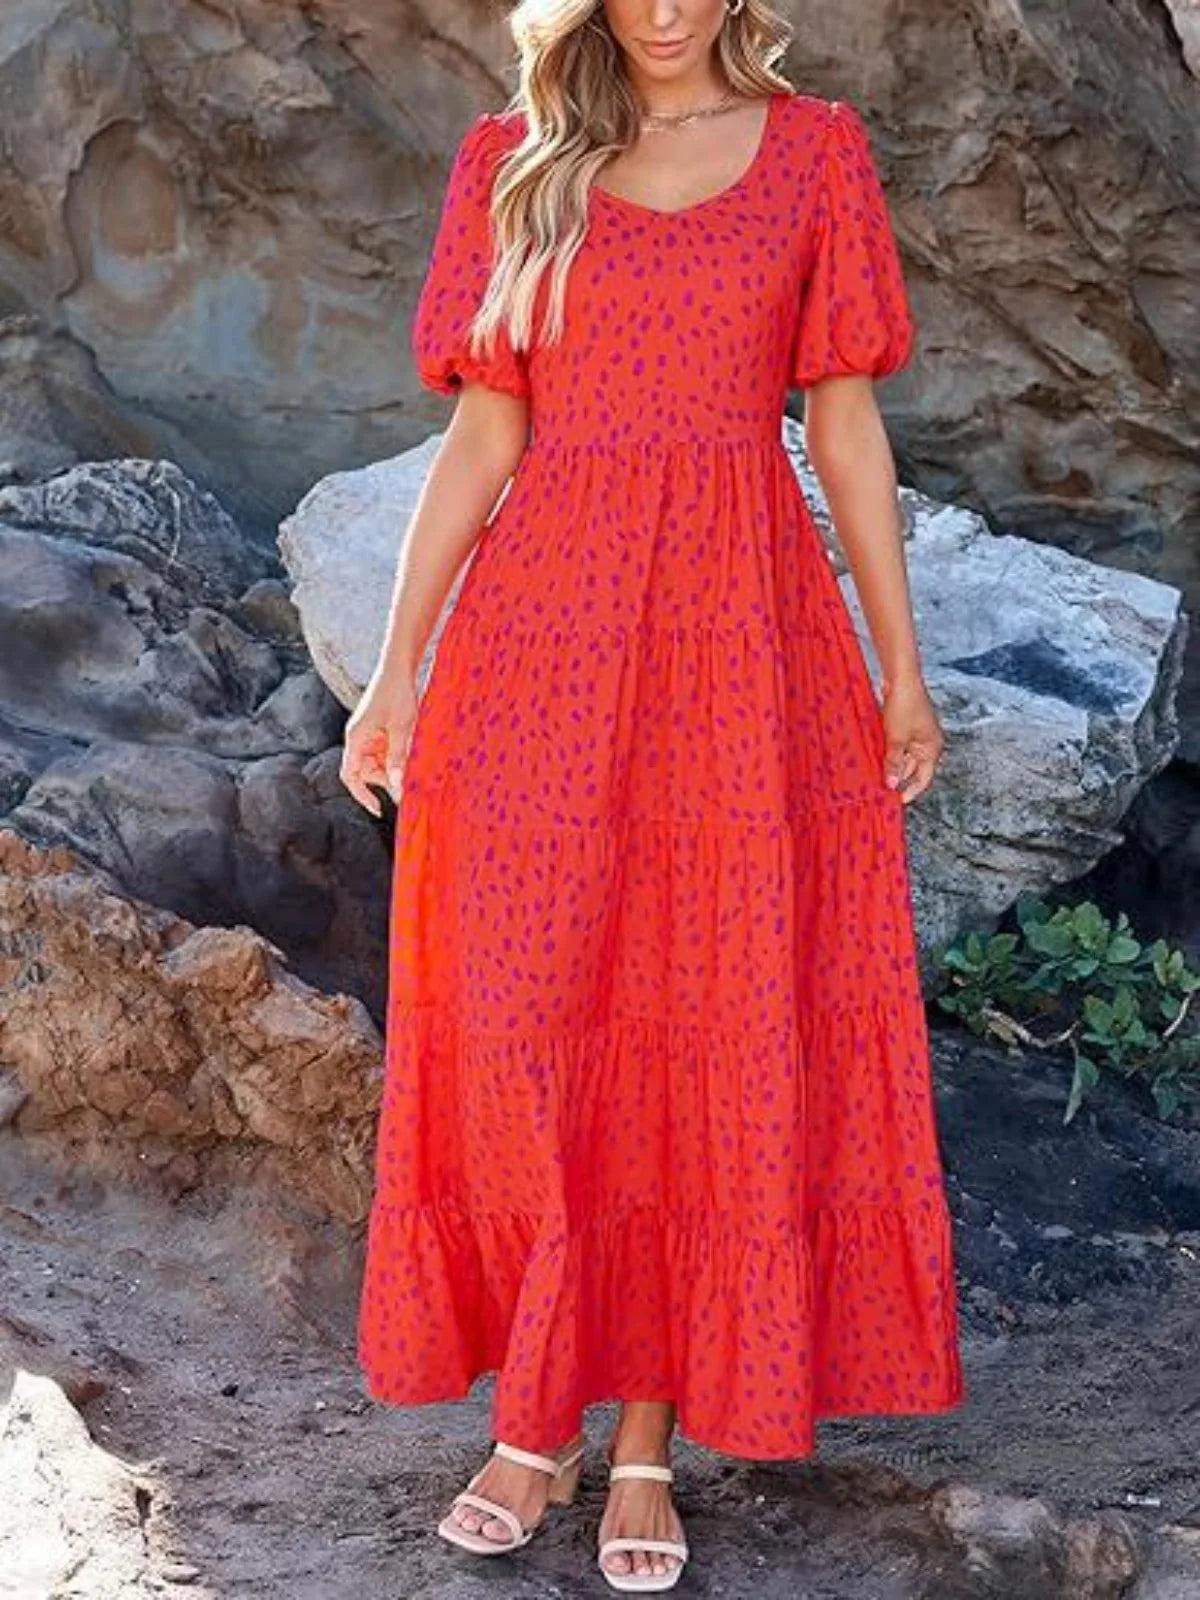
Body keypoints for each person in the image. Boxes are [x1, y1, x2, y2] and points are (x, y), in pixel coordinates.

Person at [341, 0, 966, 1587]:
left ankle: (635, 1443)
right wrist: (398, 667)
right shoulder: (513, 164)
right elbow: (489, 429)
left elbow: (843, 423)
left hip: (742, 650)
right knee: (535, 1016)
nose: (667, 5)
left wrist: (901, 668)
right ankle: (532, 1409)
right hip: (540, 643)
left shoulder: (820, 155)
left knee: (710, 1021)